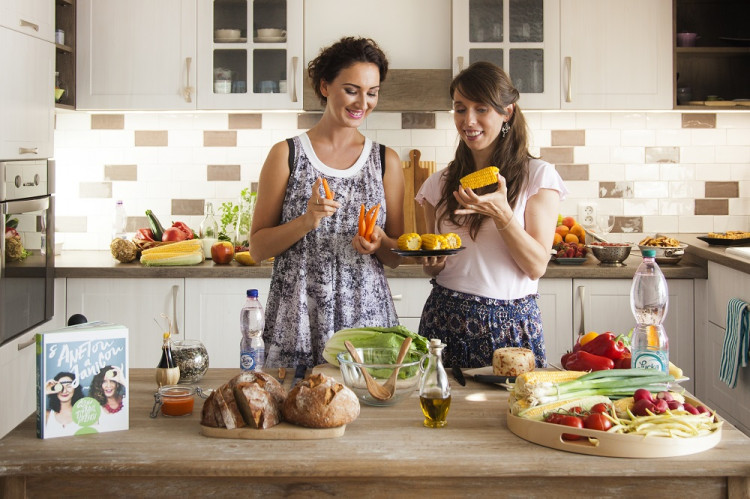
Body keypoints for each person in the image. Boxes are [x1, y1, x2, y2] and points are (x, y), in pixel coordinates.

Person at [250, 37, 404, 368]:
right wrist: (306, 221)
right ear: (325, 86)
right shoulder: (286, 155)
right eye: (352, 89)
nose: (363, 102)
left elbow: (395, 256)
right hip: (298, 319)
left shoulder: (385, 161)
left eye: (372, 92)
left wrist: (379, 242)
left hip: (366, 320)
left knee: (370, 414)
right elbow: (257, 248)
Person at [415, 61, 567, 368]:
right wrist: (433, 262)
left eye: (481, 108)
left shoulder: (538, 177)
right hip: (443, 320)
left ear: (506, 112)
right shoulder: (438, 184)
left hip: (508, 329)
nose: (468, 120)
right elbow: (435, 268)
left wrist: (503, 216)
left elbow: (536, 266)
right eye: (460, 109)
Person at [44, 371, 84, 437]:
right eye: (60, 387)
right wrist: (45, 391)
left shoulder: (85, 415)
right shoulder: (46, 415)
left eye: (69, 386)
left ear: (75, 389)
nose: (64, 391)